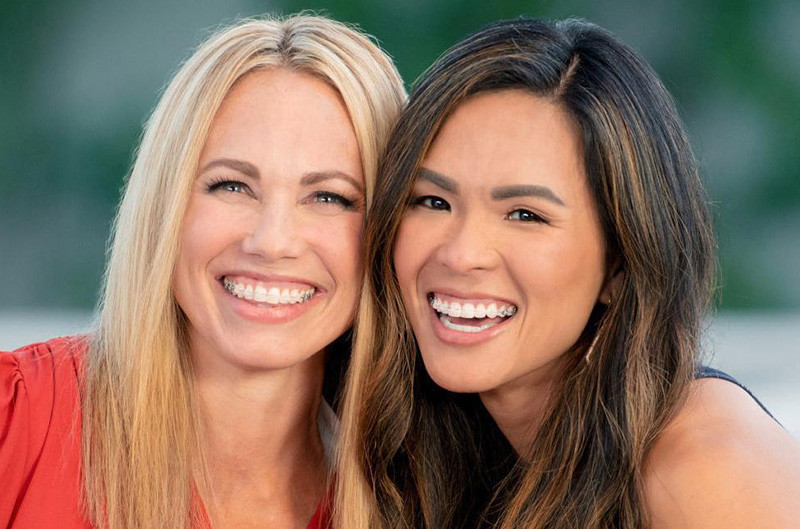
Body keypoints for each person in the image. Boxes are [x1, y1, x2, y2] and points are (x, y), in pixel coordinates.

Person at [336, 18, 800, 529]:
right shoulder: (453, 450)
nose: (461, 254)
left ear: (620, 264)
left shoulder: (708, 468)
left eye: (526, 215)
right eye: (432, 201)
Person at [0, 14, 404, 529]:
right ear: (164, 204)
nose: (271, 241)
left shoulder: (419, 503)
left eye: (330, 197)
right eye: (231, 185)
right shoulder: (15, 421)